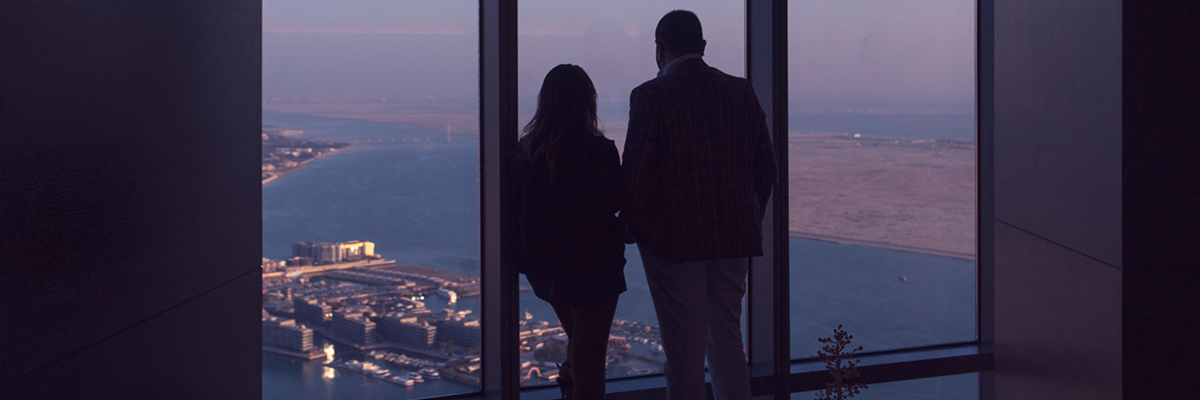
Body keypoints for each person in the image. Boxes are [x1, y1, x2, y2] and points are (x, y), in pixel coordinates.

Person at [622, 10, 777, 400]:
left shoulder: (650, 96)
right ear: (703, 48)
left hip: (674, 245)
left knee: (684, 355)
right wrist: (746, 217)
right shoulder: (741, 91)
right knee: (727, 343)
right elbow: (766, 170)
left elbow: (635, 179)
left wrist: (632, 231)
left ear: (658, 49)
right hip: (733, 239)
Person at [515, 64, 627, 400]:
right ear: (587, 103)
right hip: (596, 267)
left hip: (548, 269)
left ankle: (568, 379)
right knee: (590, 356)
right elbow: (616, 203)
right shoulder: (600, 150)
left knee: (581, 343)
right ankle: (571, 381)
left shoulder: (527, 151)